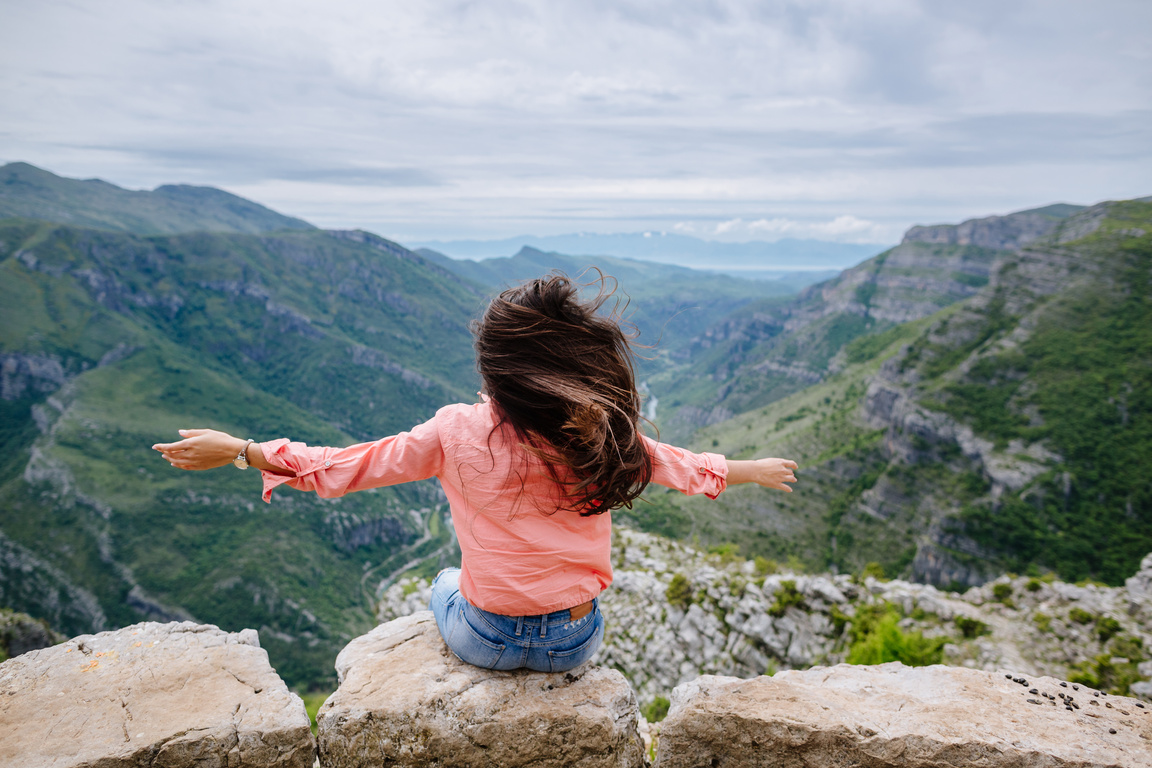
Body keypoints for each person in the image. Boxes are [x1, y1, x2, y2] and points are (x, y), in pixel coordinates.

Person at [152, 273, 798, 673]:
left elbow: (346, 467)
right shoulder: (598, 434)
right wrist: (752, 469)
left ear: (495, 376)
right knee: (470, 585)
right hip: (577, 638)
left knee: (443, 581)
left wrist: (241, 450)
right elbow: (680, 467)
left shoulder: (453, 431)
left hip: (485, 638)